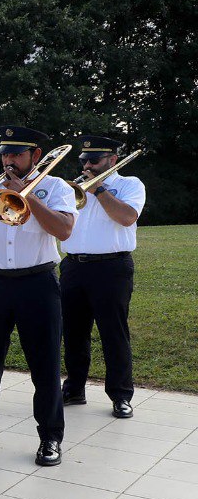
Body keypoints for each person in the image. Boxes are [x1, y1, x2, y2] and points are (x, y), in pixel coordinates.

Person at [0, 126, 76, 466]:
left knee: (44, 363)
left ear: (35, 156)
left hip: (37, 283)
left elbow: (64, 229)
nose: (9, 160)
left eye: (17, 154)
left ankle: (50, 435)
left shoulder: (55, 187)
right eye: (5, 154)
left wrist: (28, 196)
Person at [60, 134, 146, 419]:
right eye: (84, 159)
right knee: (73, 332)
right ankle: (74, 388)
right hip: (73, 266)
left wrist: (99, 190)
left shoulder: (129, 184)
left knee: (113, 332)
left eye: (94, 160)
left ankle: (121, 395)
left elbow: (126, 217)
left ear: (112, 160)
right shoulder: (72, 187)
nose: (87, 165)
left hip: (112, 268)